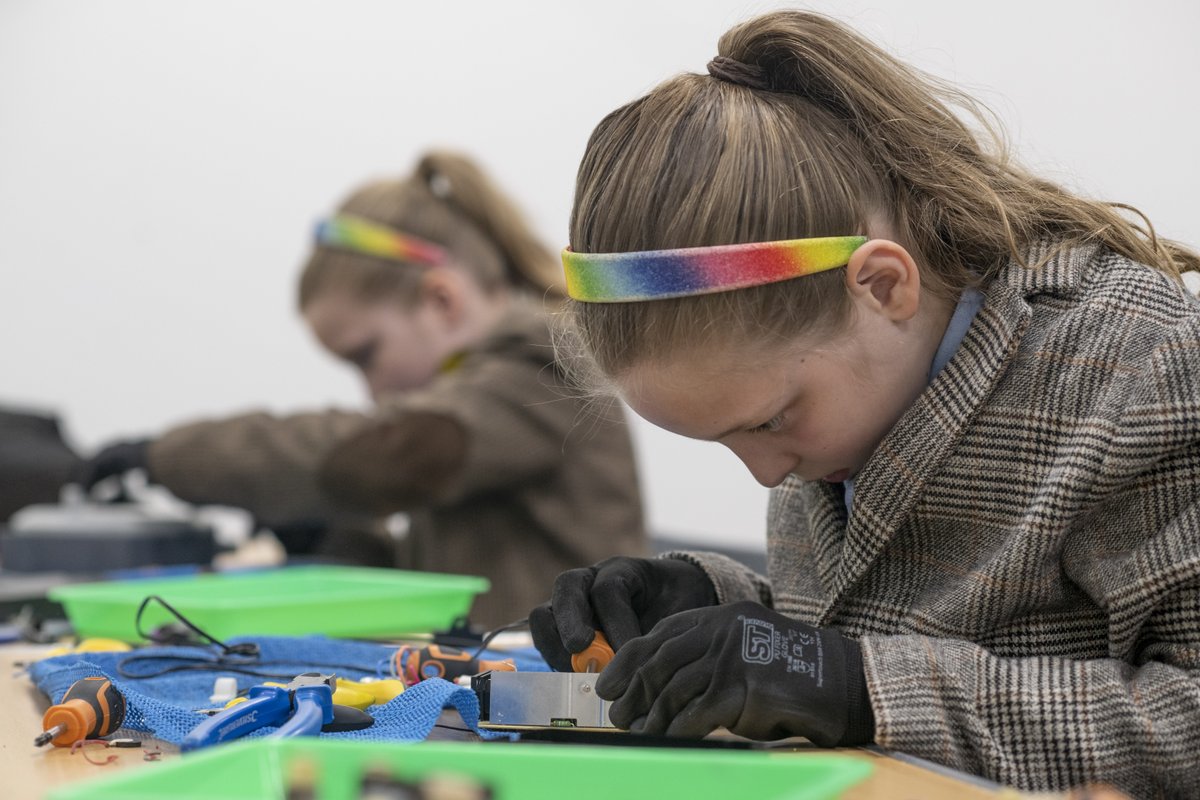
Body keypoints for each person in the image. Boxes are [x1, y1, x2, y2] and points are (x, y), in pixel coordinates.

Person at [528, 11, 1200, 798]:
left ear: (883, 286)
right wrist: (714, 602)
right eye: (722, 443)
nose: (766, 476)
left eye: (769, 420)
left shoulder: (1138, 365)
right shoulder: (838, 400)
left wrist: (852, 686)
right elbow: (889, 625)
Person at [80, 150, 646, 629]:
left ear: (441, 301)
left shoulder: (544, 371)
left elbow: (388, 450)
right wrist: (335, 541)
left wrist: (168, 457)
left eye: (366, 355)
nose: (371, 390)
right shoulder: (481, 399)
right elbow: (453, 575)